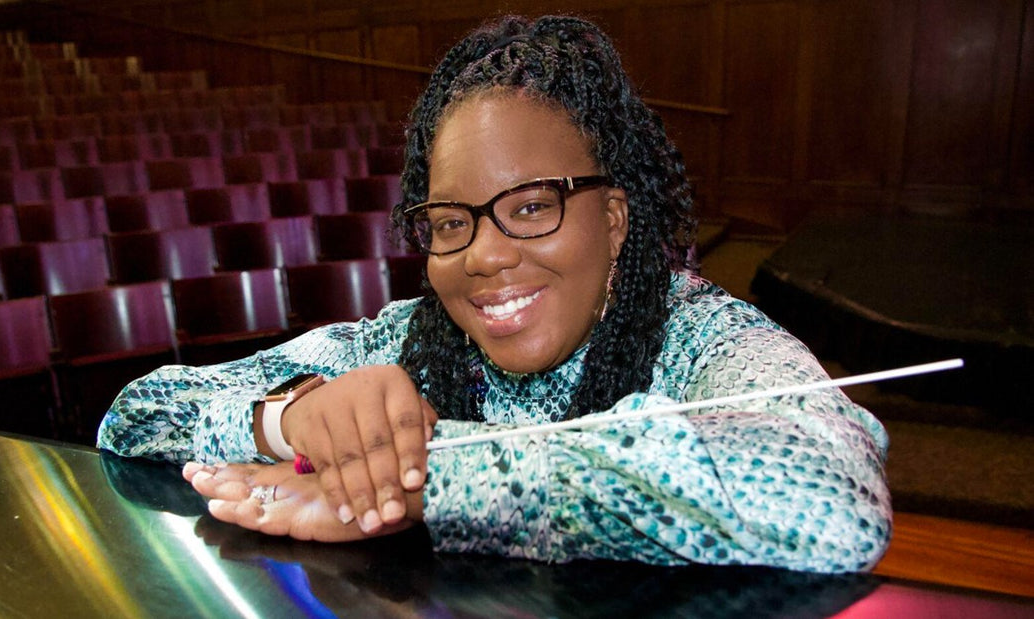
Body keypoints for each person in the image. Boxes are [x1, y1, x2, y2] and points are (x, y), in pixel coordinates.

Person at [98, 15, 891, 572]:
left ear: (614, 219)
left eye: (532, 207)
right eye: (450, 222)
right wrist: (293, 416)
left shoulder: (700, 335)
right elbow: (137, 416)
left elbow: (831, 497)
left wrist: (426, 481)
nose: (483, 254)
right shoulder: (407, 340)